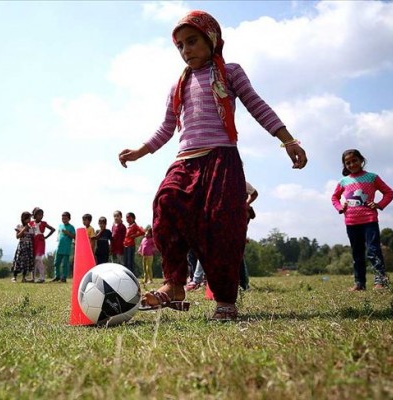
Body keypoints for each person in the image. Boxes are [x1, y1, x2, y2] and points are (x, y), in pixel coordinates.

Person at [118, 10, 307, 321]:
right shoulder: (177, 86)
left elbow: (257, 104)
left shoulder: (230, 72)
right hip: (185, 161)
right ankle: (175, 284)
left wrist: (288, 140)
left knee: (221, 226)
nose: (185, 50)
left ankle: (225, 300)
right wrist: (141, 151)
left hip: (221, 157)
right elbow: (167, 127)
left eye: (192, 42)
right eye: (179, 45)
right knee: (165, 206)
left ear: (212, 39)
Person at [331, 149, 393, 291]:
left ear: (361, 160)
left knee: (373, 251)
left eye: (354, 160)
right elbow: (334, 197)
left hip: (369, 220)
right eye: (348, 163)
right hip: (351, 222)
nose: (352, 164)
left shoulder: (372, 177)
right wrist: (340, 207)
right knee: (357, 253)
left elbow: (389, 193)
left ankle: (380, 281)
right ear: (345, 165)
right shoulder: (343, 181)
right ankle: (359, 283)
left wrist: (379, 204)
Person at [30, 207, 55, 283]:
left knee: (38, 258)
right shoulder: (31, 223)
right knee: (33, 260)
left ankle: (42, 277)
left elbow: (53, 229)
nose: (40, 216)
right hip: (34, 242)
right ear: (35, 215)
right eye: (39, 215)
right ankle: (33, 278)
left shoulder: (44, 223)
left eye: (42, 215)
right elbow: (31, 233)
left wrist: (46, 237)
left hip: (40, 242)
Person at [52, 212, 76, 283]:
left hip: (66, 248)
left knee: (65, 264)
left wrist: (67, 233)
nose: (64, 220)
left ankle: (64, 277)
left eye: (65, 218)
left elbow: (74, 236)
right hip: (59, 247)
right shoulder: (60, 226)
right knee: (56, 262)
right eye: (63, 218)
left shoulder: (71, 227)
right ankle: (57, 276)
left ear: (69, 219)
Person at [12, 211, 35, 283]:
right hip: (22, 245)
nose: (29, 220)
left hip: (29, 246)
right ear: (23, 219)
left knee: (26, 261)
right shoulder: (19, 226)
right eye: (28, 219)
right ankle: (14, 277)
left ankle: (24, 277)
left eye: (30, 218)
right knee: (18, 260)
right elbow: (17, 236)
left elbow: (33, 236)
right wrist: (24, 229)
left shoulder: (31, 227)